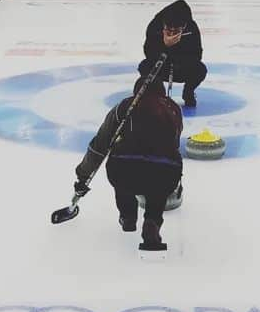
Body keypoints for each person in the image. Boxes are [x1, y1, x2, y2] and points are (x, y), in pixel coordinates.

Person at [74, 77, 183, 251]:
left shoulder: (123, 107)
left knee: (122, 174)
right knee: (159, 186)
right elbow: (174, 144)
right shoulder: (172, 108)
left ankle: (127, 217)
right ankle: (152, 222)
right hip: (164, 172)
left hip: (125, 171)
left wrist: (83, 175)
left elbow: (100, 145)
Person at [138, 0, 206, 108]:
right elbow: (148, 52)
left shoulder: (192, 28)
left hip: (182, 67)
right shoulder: (154, 25)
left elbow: (197, 55)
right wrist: (164, 45)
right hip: (160, 66)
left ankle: (188, 92)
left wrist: (180, 59)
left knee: (200, 69)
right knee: (144, 67)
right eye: (169, 29)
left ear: (184, 26)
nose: (172, 33)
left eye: (177, 30)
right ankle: (157, 95)